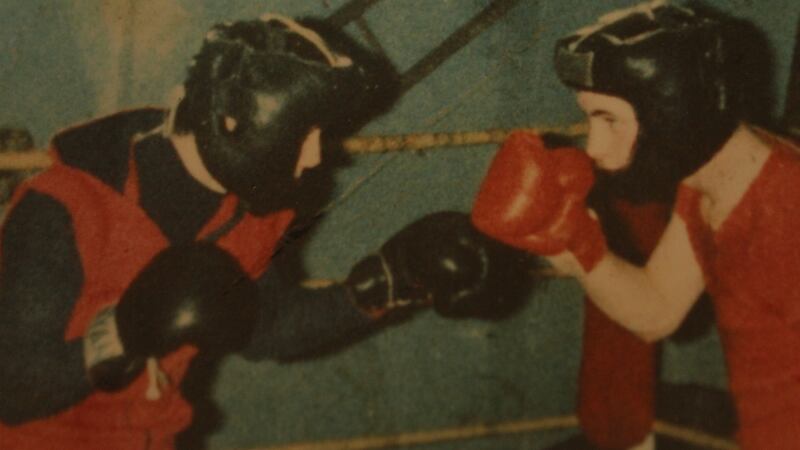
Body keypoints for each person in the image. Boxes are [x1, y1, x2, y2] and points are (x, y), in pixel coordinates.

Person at [0, 14, 513, 450]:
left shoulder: (249, 215)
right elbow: (12, 391)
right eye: (305, 133)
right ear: (235, 124)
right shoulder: (65, 206)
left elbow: (265, 326)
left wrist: (388, 282)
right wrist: (122, 334)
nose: (317, 156)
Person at [473, 1, 798, 448]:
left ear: (672, 110)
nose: (594, 148)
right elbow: (657, 309)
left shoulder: (787, 213)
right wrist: (577, 247)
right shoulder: (710, 181)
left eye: (609, 120)